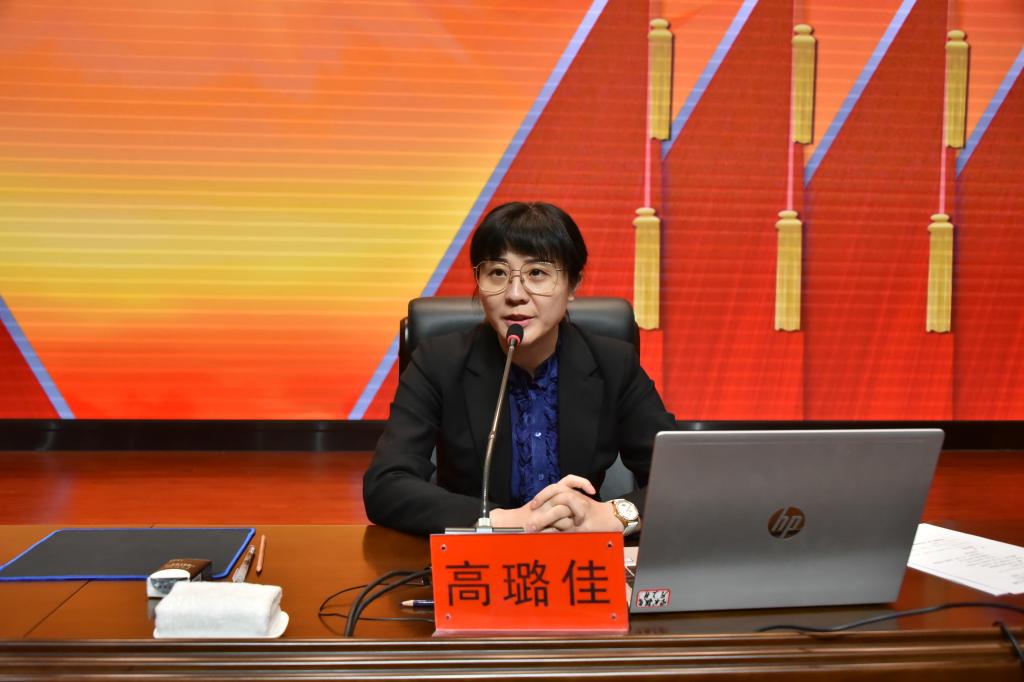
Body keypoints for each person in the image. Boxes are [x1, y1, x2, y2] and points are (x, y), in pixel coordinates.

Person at [363, 201, 676, 535]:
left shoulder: (613, 363)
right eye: (497, 273)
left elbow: (682, 478)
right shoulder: (438, 362)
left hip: (582, 554)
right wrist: (498, 521)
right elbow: (386, 484)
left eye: (537, 273)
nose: (515, 294)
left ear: (573, 285)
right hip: (476, 557)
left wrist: (612, 516)